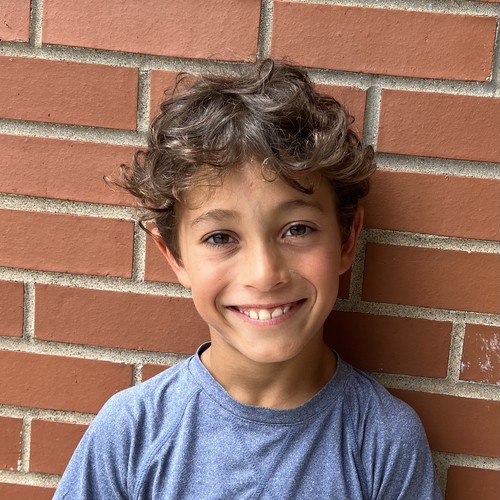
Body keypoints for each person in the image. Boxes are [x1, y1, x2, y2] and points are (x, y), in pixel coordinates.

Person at [54, 59, 442, 499]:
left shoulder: (384, 441)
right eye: (220, 237)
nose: (264, 274)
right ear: (176, 257)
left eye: (297, 229)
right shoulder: (132, 433)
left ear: (347, 238)